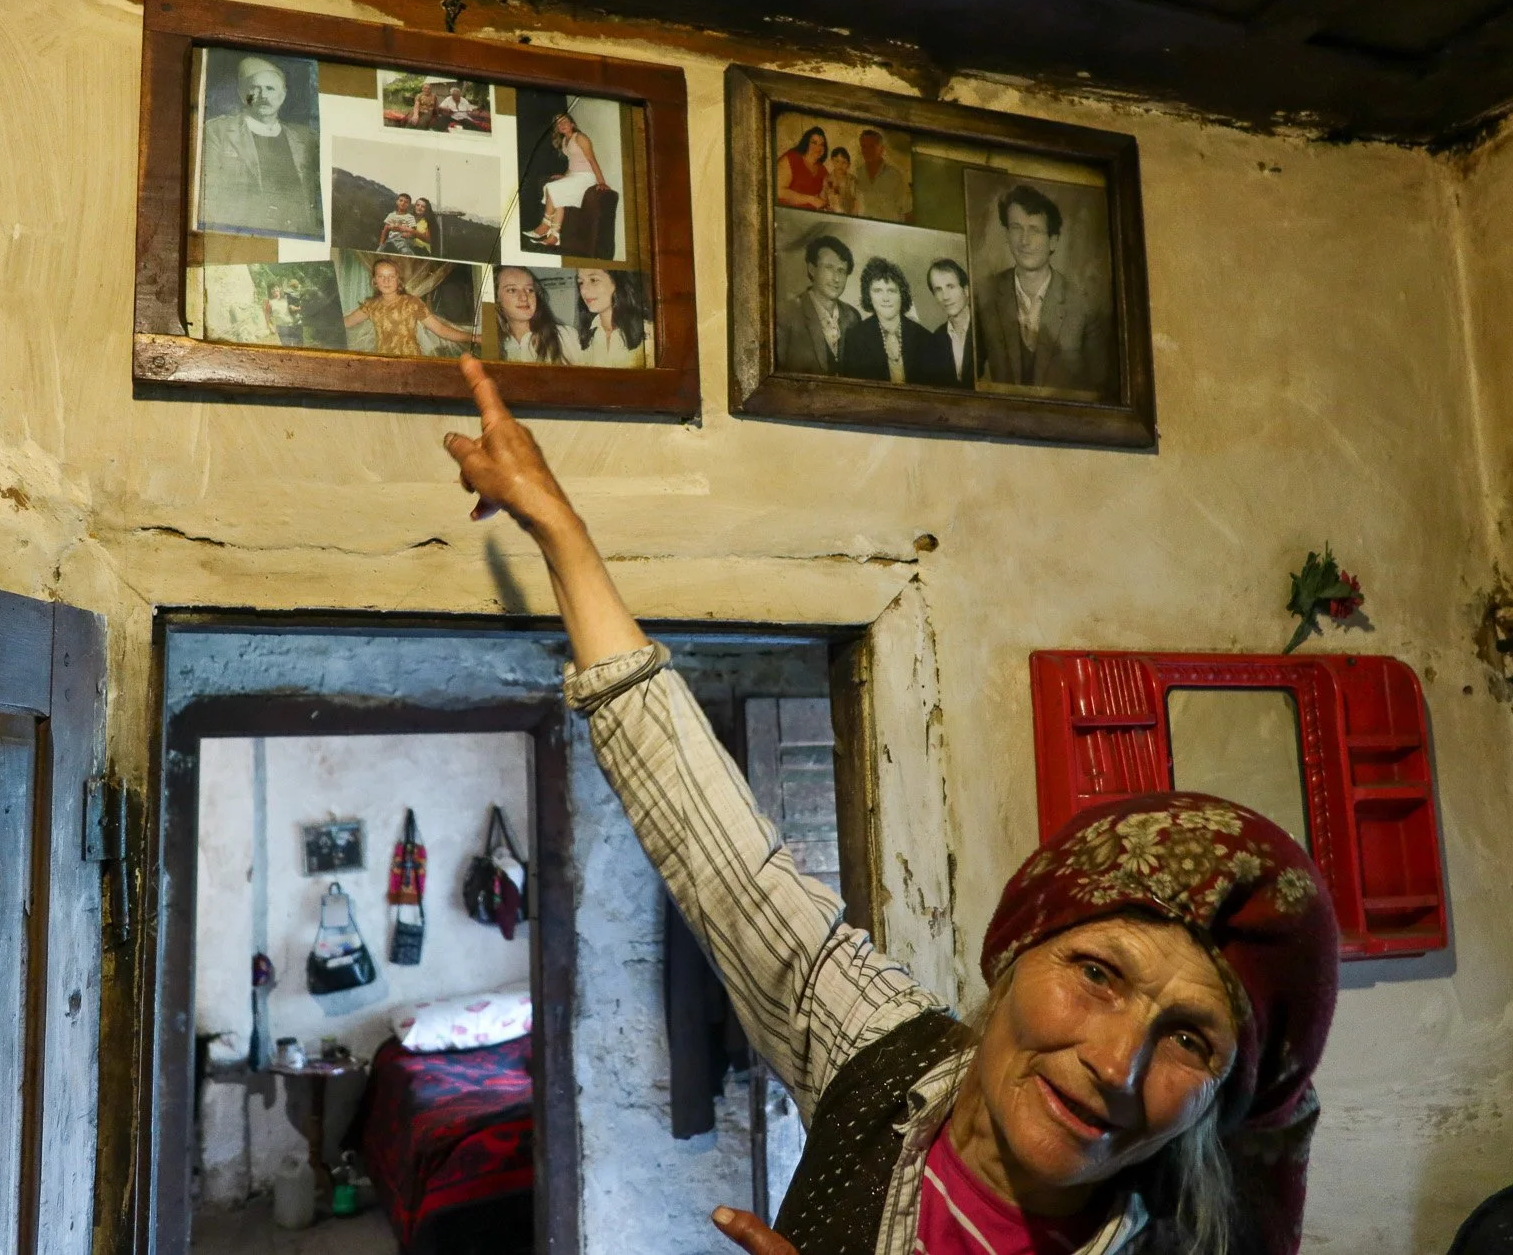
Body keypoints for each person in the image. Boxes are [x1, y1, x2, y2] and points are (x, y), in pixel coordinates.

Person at [440, 356, 1340, 1255]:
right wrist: (556, 525)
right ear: (1014, 954)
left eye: (1189, 1038)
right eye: (1098, 973)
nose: (1115, 1063)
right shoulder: (880, 1054)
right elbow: (712, 843)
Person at [974, 184, 1115, 396]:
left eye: (1035, 230)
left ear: (1053, 241)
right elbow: (966, 371)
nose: (1024, 241)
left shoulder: (1083, 306)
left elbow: (1101, 389)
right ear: (1006, 234)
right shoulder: (985, 293)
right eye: (1016, 228)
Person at [200, 55, 324, 239]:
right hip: (240, 236)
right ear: (243, 94)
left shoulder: (305, 139)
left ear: (283, 95)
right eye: (255, 88)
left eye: (270, 89)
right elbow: (208, 197)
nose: (264, 96)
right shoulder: (217, 131)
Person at [342, 257, 478, 358]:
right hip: (383, 364)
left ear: (398, 279)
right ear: (375, 281)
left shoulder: (412, 303)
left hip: (411, 361)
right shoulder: (370, 305)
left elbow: (441, 330)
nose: (386, 281)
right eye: (381, 276)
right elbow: (345, 322)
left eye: (391, 276)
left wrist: (475, 338)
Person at [837, 256, 936, 385]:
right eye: (877, 291)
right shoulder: (855, 338)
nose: (885, 298)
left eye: (891, 291)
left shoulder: (925, 339)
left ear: (902, 294)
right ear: (869, 295)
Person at [775, 235, 859, 376]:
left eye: (841, 271)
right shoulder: (786, 314)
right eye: (829, 268)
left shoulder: (852, 316)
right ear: (812, 269)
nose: (836, 278)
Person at [530, 112, 610, 248]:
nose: (562, 125)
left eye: (564, 121)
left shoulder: (580, 137)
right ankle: (554, 237)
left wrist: (601, 182)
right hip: (574, 176)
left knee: (552, 188)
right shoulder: (565, 141)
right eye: (558, 123)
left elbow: (591, 160)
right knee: (556, 192)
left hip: (586, 177)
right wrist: (565, 177)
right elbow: (573, 163)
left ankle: (545, 224)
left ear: (572, 124)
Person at [569, 268, 652, 368]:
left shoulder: (648, 332)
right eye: (581, 282)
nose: (583, 290)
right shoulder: (586, 336)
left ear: (617, 282)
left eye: (593, 280)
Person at [495, 266, 579, 364]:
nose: (524, 297)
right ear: (496, 299)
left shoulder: (566, 336)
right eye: (512, 290)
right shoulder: (494, 344)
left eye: (530, 290)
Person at [922, 259, 975, 389]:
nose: (945, 296)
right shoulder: (935, 339)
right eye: (938, 289)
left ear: (966, 290)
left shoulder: (987, 329)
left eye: (950, 287)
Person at [856, 128, 911, 223]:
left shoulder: (895, 176)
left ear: (881, 149)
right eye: (864, 146)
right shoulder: (857, 174)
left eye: (872, 146)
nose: (867, 151)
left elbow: (907, 211)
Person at [776, 126, 831, 210]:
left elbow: (824, 199)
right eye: (814, 142)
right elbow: (777, 191)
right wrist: (810, 199)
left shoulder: (823, 171)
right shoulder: (792, 158)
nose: (818, 147)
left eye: (822, 144)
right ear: (806, 143)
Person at [261, 280, 304, 347]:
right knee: (287, 348)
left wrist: (295, 308)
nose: (275, 290)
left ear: (279, 288)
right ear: (270, 291)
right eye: (272, 289)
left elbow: (301, 306)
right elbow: (267, 315)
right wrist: (270, 326)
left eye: (276, 287)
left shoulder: (287, 297)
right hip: (282, 328)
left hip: (296, 325)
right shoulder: (269, 302)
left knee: (300, 347)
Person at [824, 148, 860, 216]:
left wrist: (853, 216)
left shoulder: (852, 180)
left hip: (849, 214)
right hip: (831, 214)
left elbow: (856, 202)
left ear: (849, 165)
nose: (840, 165)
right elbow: (824, 199)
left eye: (844, 162)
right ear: (832, 161)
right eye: (837, 161)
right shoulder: (827, 180)